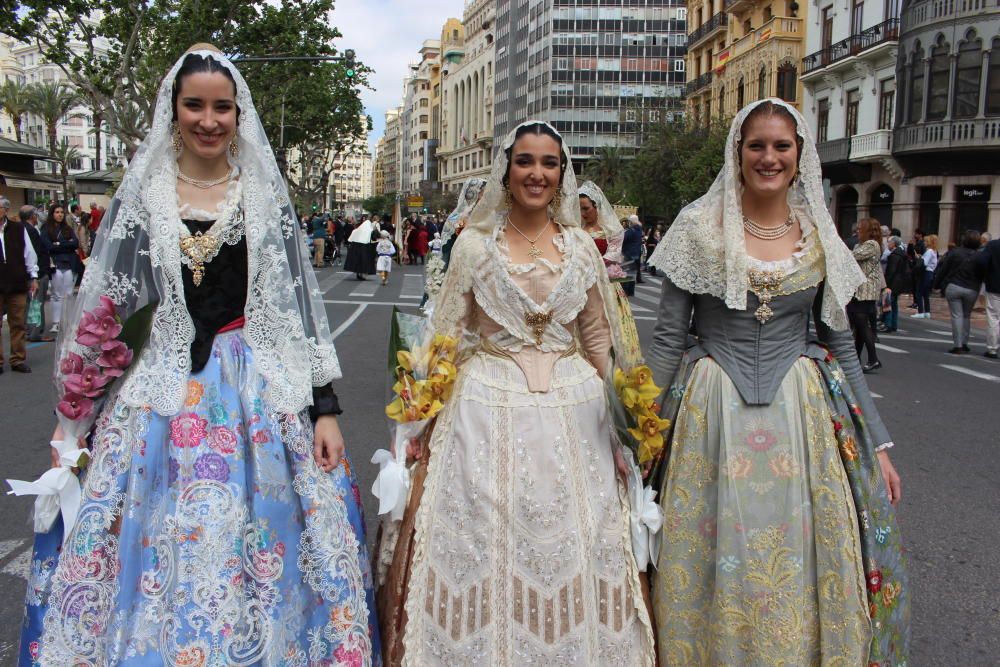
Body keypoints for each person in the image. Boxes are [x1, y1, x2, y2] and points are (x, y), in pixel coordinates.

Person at [15, 45, 380, 665]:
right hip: (155, 396)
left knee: (258, 544)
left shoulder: (262, 197)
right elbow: (109, 313)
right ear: (173, 110)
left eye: (222, 107)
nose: (208, 120)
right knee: (149, 550)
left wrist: (324, 409)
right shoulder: (141, 200)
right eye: (195, 106)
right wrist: (72, 418)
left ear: (239, 115)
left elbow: (295, 311)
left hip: (253, 395)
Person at [376, 121, 655, 665]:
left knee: (580, 536)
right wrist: (414, 428)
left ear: (562, 173)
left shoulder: (581, 247)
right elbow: (447, 337)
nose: (537, 173)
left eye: (549, 163)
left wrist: (626, 423)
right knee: (486, 527)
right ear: (507, 170)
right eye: (525, 161)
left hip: (577, 410)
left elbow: (597, 333)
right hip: (485, 404)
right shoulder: (475, 246)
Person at [646, 99, 908, 666]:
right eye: (757, 145)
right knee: (716, 541)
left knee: (794, 545)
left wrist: (878, 444)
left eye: (781, 146)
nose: (769, 157)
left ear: (799, 156)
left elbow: (840, 343)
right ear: (737, 153)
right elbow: (669, 339)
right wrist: (641, 433)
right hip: (712, 404)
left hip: (800, 409)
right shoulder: (698, 226)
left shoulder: (819, 235)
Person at [0, 196, 40, 373]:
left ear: (5, 210)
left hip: (17, 282)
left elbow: (29, 254)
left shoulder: (18, 228)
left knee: (18, 323)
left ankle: (17, 359)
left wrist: (33, 277)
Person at [935, 229, 984, 354]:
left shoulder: (955, 252)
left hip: (954, 285)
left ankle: (958, 345)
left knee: (957, 315)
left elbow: (944, 269)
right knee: (967, 316)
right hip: (972, 288)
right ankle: (965, 342)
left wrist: (936, 283)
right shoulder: (980, 256)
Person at [848, 217, 883, 372]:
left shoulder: (871, 244)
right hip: (860, 289)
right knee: (859, 324)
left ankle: (873, 358)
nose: (857, 231)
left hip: (865, 290)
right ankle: (857, 358)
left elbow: (851, 256)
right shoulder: (861, 244)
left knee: (861, 323)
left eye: (860, 228)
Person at [39, 203, 80, 335]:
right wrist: (64, 245)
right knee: (56, 294)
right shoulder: (46, 228)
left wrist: (59, 244)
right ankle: (56, 322)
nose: (60, 214)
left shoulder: (67, 228)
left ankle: (68, 320)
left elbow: (75, 243)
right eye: (57, 212)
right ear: (52, 214)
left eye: (61, 212)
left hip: (69, 264)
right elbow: (48, 246)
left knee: (68, 294)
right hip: (55, 264)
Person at [19, 206, 54, 343]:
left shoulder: (24, 228)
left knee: (31, 303)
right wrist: (37, 273)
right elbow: (34, 253)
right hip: (37, 272)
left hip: (32, 272)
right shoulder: (30, 230)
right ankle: (35, 332)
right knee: (36, 303)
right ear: (32, 216)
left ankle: (29, 330)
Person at [882, 235, 910, 333]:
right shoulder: (902, 254)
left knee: (888, 303)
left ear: (893, 243)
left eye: (889, 242)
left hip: (893, 283)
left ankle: (888, 324)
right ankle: (894, 324)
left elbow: (891, 271)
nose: (887, 244)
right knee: (894, 304)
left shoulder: (894, 256)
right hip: (899, 283)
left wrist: (886, 283)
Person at [978, 235, 1000, 358]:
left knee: (993, 317)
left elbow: (982, 262)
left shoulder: (992, 245)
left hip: (994, 285)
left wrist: (987, 275)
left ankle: (992, 348)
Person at [914, 233, 938, 318]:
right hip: (930, 273)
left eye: (925, 241)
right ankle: (927, 311)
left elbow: (924, 263)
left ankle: (920, 312)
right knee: (926, 293)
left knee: (919, 292)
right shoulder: (934, 251)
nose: (924, 242)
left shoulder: (929, 251)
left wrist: (918, 258)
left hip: (925, 273)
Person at [621, 214, 643, 296]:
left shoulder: (631, 230)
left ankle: (626, 291)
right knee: (632, 273)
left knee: (626, 272)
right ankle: (631, 291)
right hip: (636, 253)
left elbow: (623, 239)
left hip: (628, 253)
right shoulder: (639, 230)